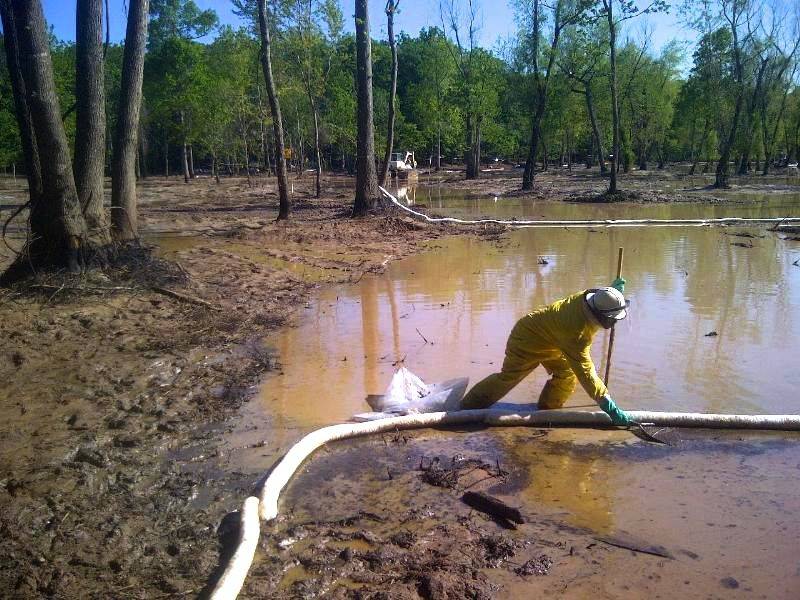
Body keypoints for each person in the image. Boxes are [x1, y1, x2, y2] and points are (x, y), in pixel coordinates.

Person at [460, 279, 632, 425]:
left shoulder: (587, 298)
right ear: (601, 318)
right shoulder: (576, 334)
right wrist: (606, 403)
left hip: (553, 341)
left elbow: (602, 300)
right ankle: (466, 408)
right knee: (509, 377)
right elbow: (586, 372)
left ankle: (547, 411)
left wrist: (614, 294)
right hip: (527, 339)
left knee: (567, 373)